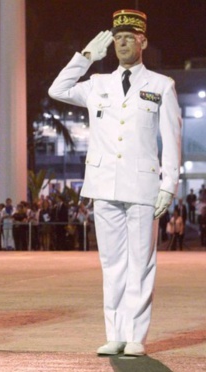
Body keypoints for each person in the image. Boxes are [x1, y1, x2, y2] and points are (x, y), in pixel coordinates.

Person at [48, 9, 181, 356]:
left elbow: (171, 138)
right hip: (104, 184)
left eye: (129, 37)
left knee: (141, 262)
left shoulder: (160, 85)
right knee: (112, 264)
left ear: (143, 41)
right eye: (117, 38)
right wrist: (86, 57)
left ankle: (135, 335)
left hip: (142, 186)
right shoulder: (97, 84)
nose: (122, 42)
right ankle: (115, 333)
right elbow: (57, 89)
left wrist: (169, 185)